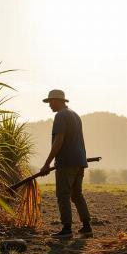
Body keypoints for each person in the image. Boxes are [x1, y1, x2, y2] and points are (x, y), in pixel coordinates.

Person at [40, 89, 92, 238]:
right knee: (76, 195)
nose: (49, 105)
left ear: (57, 101)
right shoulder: (75, 115)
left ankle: (67, 229)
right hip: (79, 161)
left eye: (51, 102)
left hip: (66, 162)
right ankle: (87, 227)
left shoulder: (61, 116)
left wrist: (47, 164)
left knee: (63, 195)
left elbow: (59, 141)